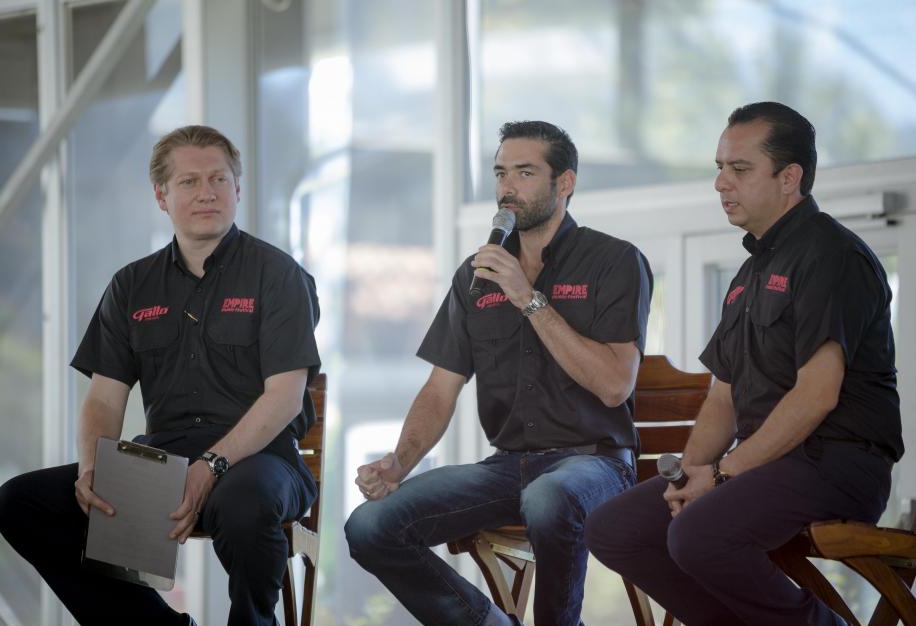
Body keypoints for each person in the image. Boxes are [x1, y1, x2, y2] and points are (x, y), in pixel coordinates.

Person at [584, 102, 903, 626]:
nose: (720, 183)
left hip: (839, 464)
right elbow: (722, 397)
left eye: (739, 168)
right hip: (769, 469)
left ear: (789, 177)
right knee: (614, 528)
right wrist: (690, 477)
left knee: (699, 534)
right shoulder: (749, 274)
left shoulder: (830, 253)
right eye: (718, 168)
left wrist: (725, 473)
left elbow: (817, 393)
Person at [0, 125, 321, 626]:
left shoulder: (278, 275)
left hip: (260, 461)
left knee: (245, 502)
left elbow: (285, 395)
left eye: (218, 179)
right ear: (161, 196)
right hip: (162, 461)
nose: (207, 192)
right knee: (20, 503)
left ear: (238, 189)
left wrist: (210, 464)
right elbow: (105, 398)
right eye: (189, 182)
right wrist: (91, 468)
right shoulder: (131, 285)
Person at [344, 120, 653, 626]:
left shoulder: (614, 260)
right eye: (501, 173)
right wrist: (399, 463)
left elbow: (614, 384)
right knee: (371, 525)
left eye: (526, 172)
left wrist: (528, 299)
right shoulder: (475, 274)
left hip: (595, 464)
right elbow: (441, 388)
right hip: (508, 467)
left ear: (565, 183)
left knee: (550, 496)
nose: (507, 187)